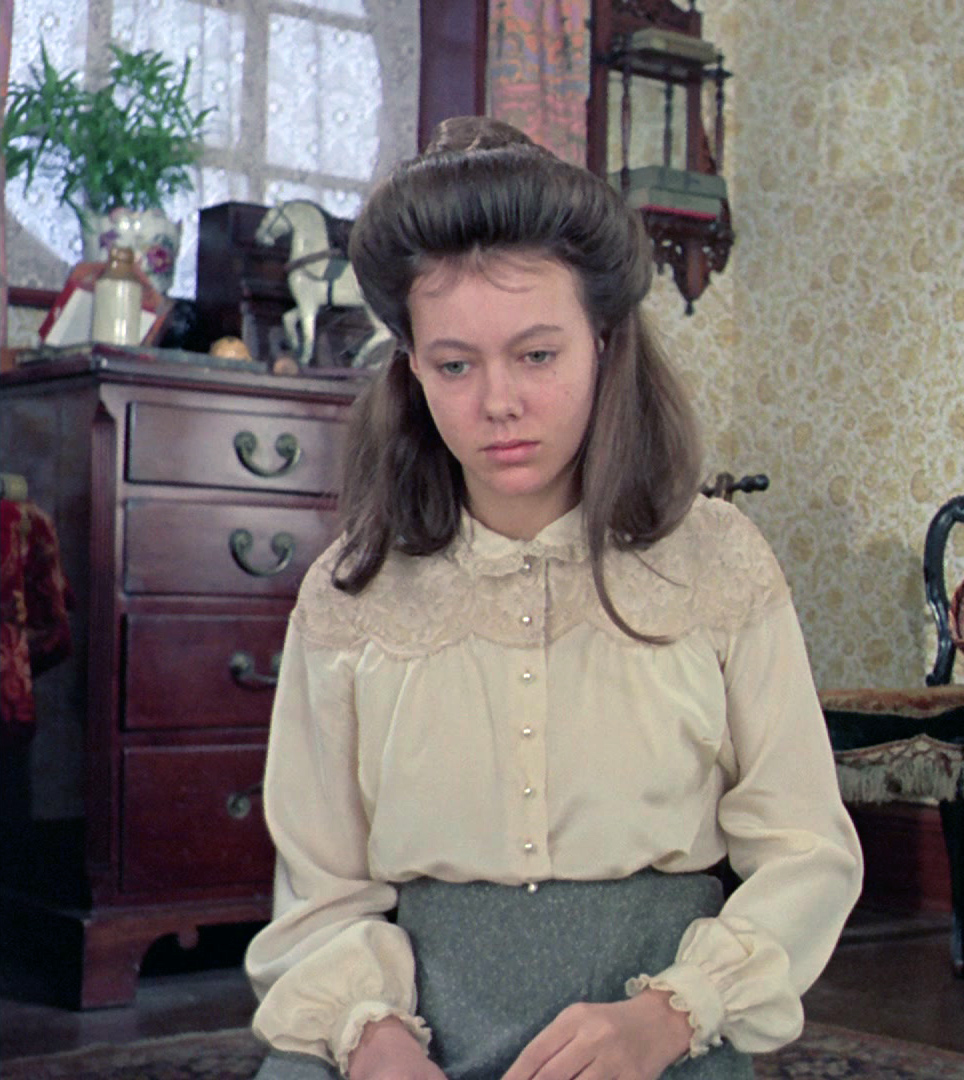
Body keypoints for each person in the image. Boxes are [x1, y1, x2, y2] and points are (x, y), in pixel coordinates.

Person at [245, 116, 863, 1080]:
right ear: (411, 366)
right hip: (407, 1033)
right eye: (455, 365)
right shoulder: (349, 594)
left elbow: (806, 850)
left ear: (604, 344)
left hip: (660, 1031)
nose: (498, 402)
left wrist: (670, 1016)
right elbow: (321, 888)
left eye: (538, 355)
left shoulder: (718, 561)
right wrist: (371, 1035)